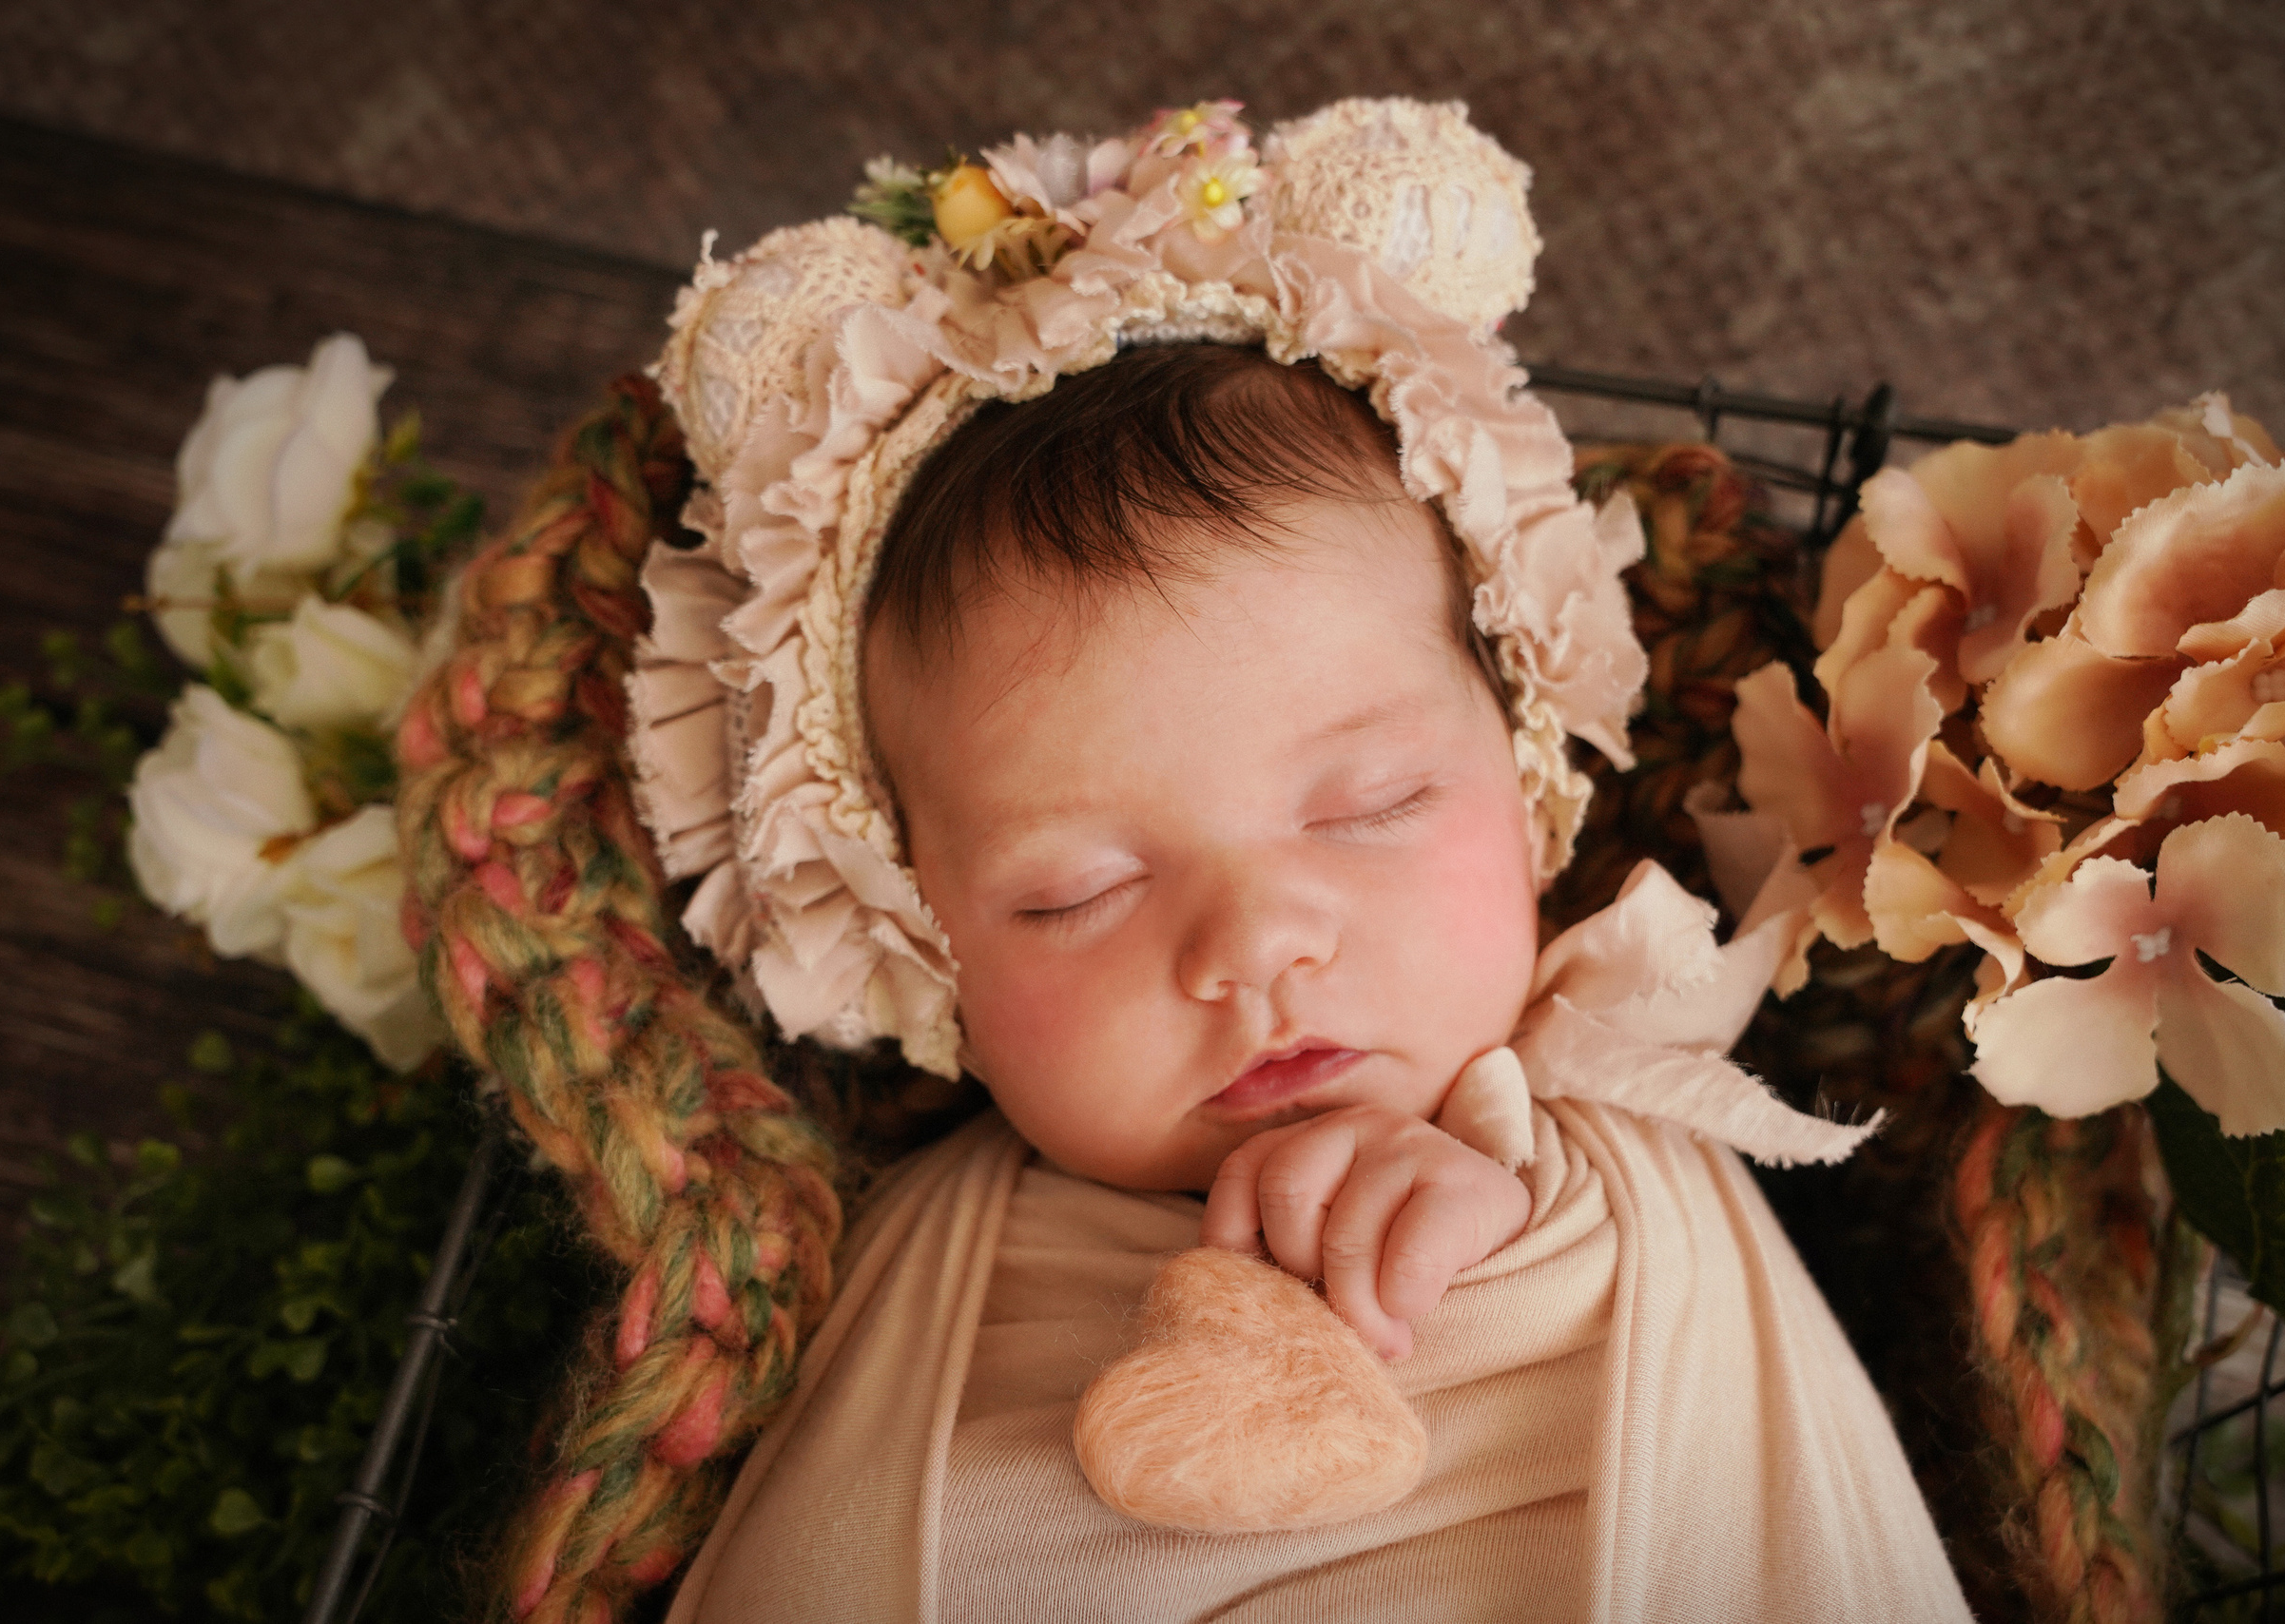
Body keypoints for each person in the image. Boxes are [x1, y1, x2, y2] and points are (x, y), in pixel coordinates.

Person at [614, 97, 1976, 1621]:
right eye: (1078, 890)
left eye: (1372, 804)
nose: (1257, 945)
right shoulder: (897, 1260)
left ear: (1528, 767)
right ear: (911, 933)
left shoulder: (1609, 1112)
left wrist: (1510, 1232)